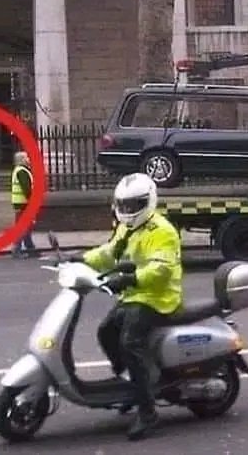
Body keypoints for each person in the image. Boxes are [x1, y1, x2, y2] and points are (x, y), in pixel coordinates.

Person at [79, 173, 183, 441]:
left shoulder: (162, 231)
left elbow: (161, 270)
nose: (127, 210)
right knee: (105, 332)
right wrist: (81, 259)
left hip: (158, 297)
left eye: (133, 205)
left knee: (129, 342)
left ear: (148, 202)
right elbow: (109, 252)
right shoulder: (127, 228)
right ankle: (132, 385)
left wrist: (130, 278)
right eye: (123, 205)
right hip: (135, 295)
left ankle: (148, 412)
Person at [10, 151, 37, 257]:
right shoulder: (21, 171)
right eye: (26, 157)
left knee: (26, 226)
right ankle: (16, 249)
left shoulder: (22, 170)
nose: (28, 159)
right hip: (23, 203)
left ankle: (30, 248)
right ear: (21, 160)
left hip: (21, 203)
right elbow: (26, 189)